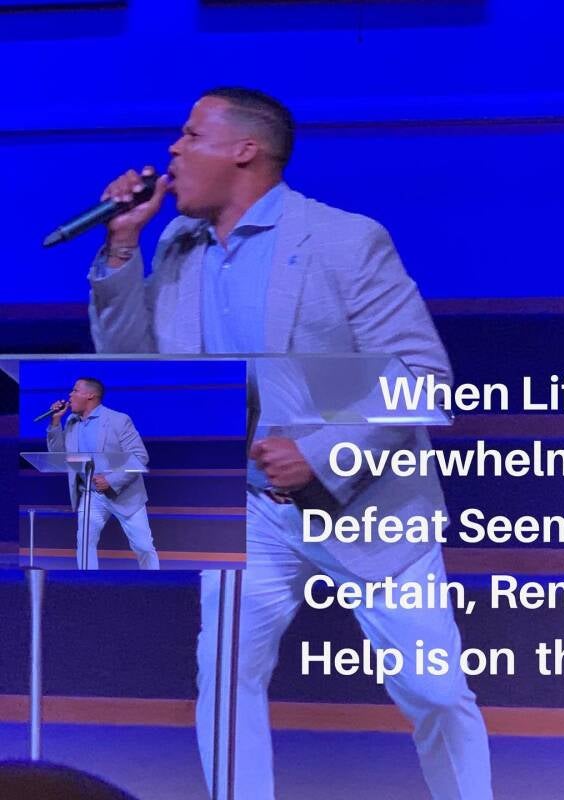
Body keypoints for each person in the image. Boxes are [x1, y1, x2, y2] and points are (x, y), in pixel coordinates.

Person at [88, 87, 492, 799]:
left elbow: (424, 379)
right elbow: (133, 366)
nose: (173, 149)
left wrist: (322, 452)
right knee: (225, 680)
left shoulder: (342, 240)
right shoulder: (179, 247)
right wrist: (123, 245)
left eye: (192, 134)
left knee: (432, 690)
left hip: (366, 503)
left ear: (245, 150)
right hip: (247, 509)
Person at [46, 377, 159, 570]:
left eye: (75, 390)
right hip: (90, 495)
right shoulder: (72, 422)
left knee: (143, 547)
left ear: (91, 395)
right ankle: (87, 583)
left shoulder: (118, 420)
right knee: (84, 544)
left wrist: (111, 480)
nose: (70, 395)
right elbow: (58, 456)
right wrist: (56, 421)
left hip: (123, 493)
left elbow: (140, 457)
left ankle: (154, 580)